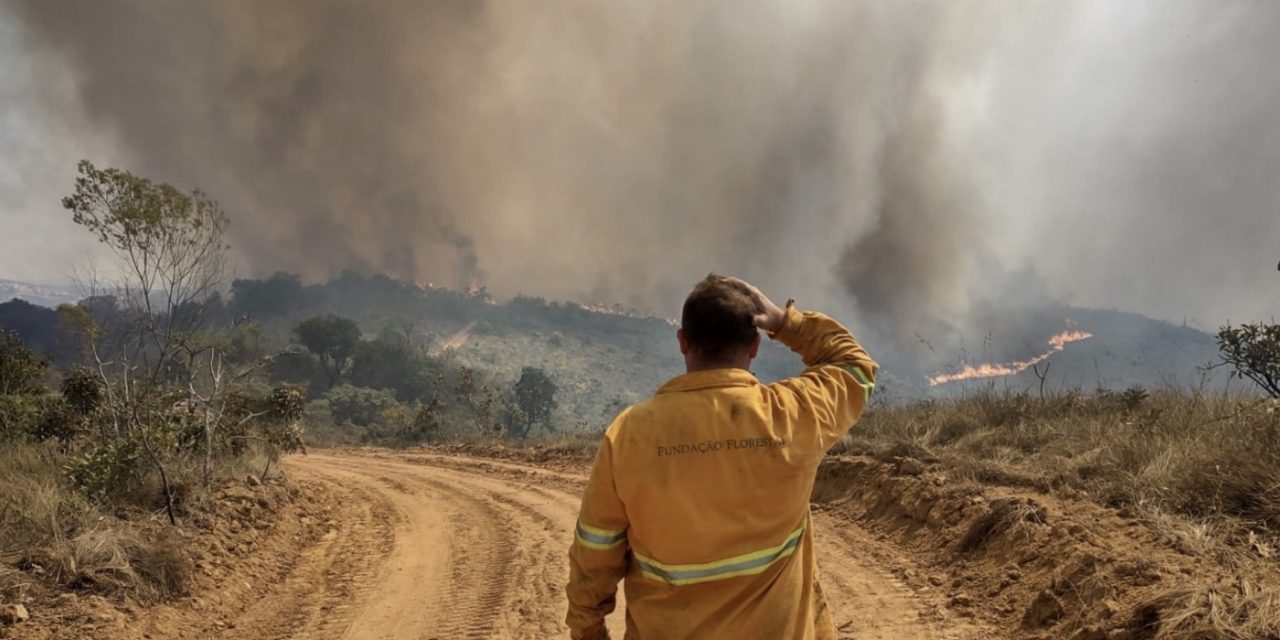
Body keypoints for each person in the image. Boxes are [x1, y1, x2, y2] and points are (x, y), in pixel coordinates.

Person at [566, 274, 878, 639]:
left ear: (683, 342)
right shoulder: (794, 414)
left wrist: (588, 630)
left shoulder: (630, 433)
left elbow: (595, 551)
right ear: (755, 346)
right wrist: (787, 324)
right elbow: (855, 366)